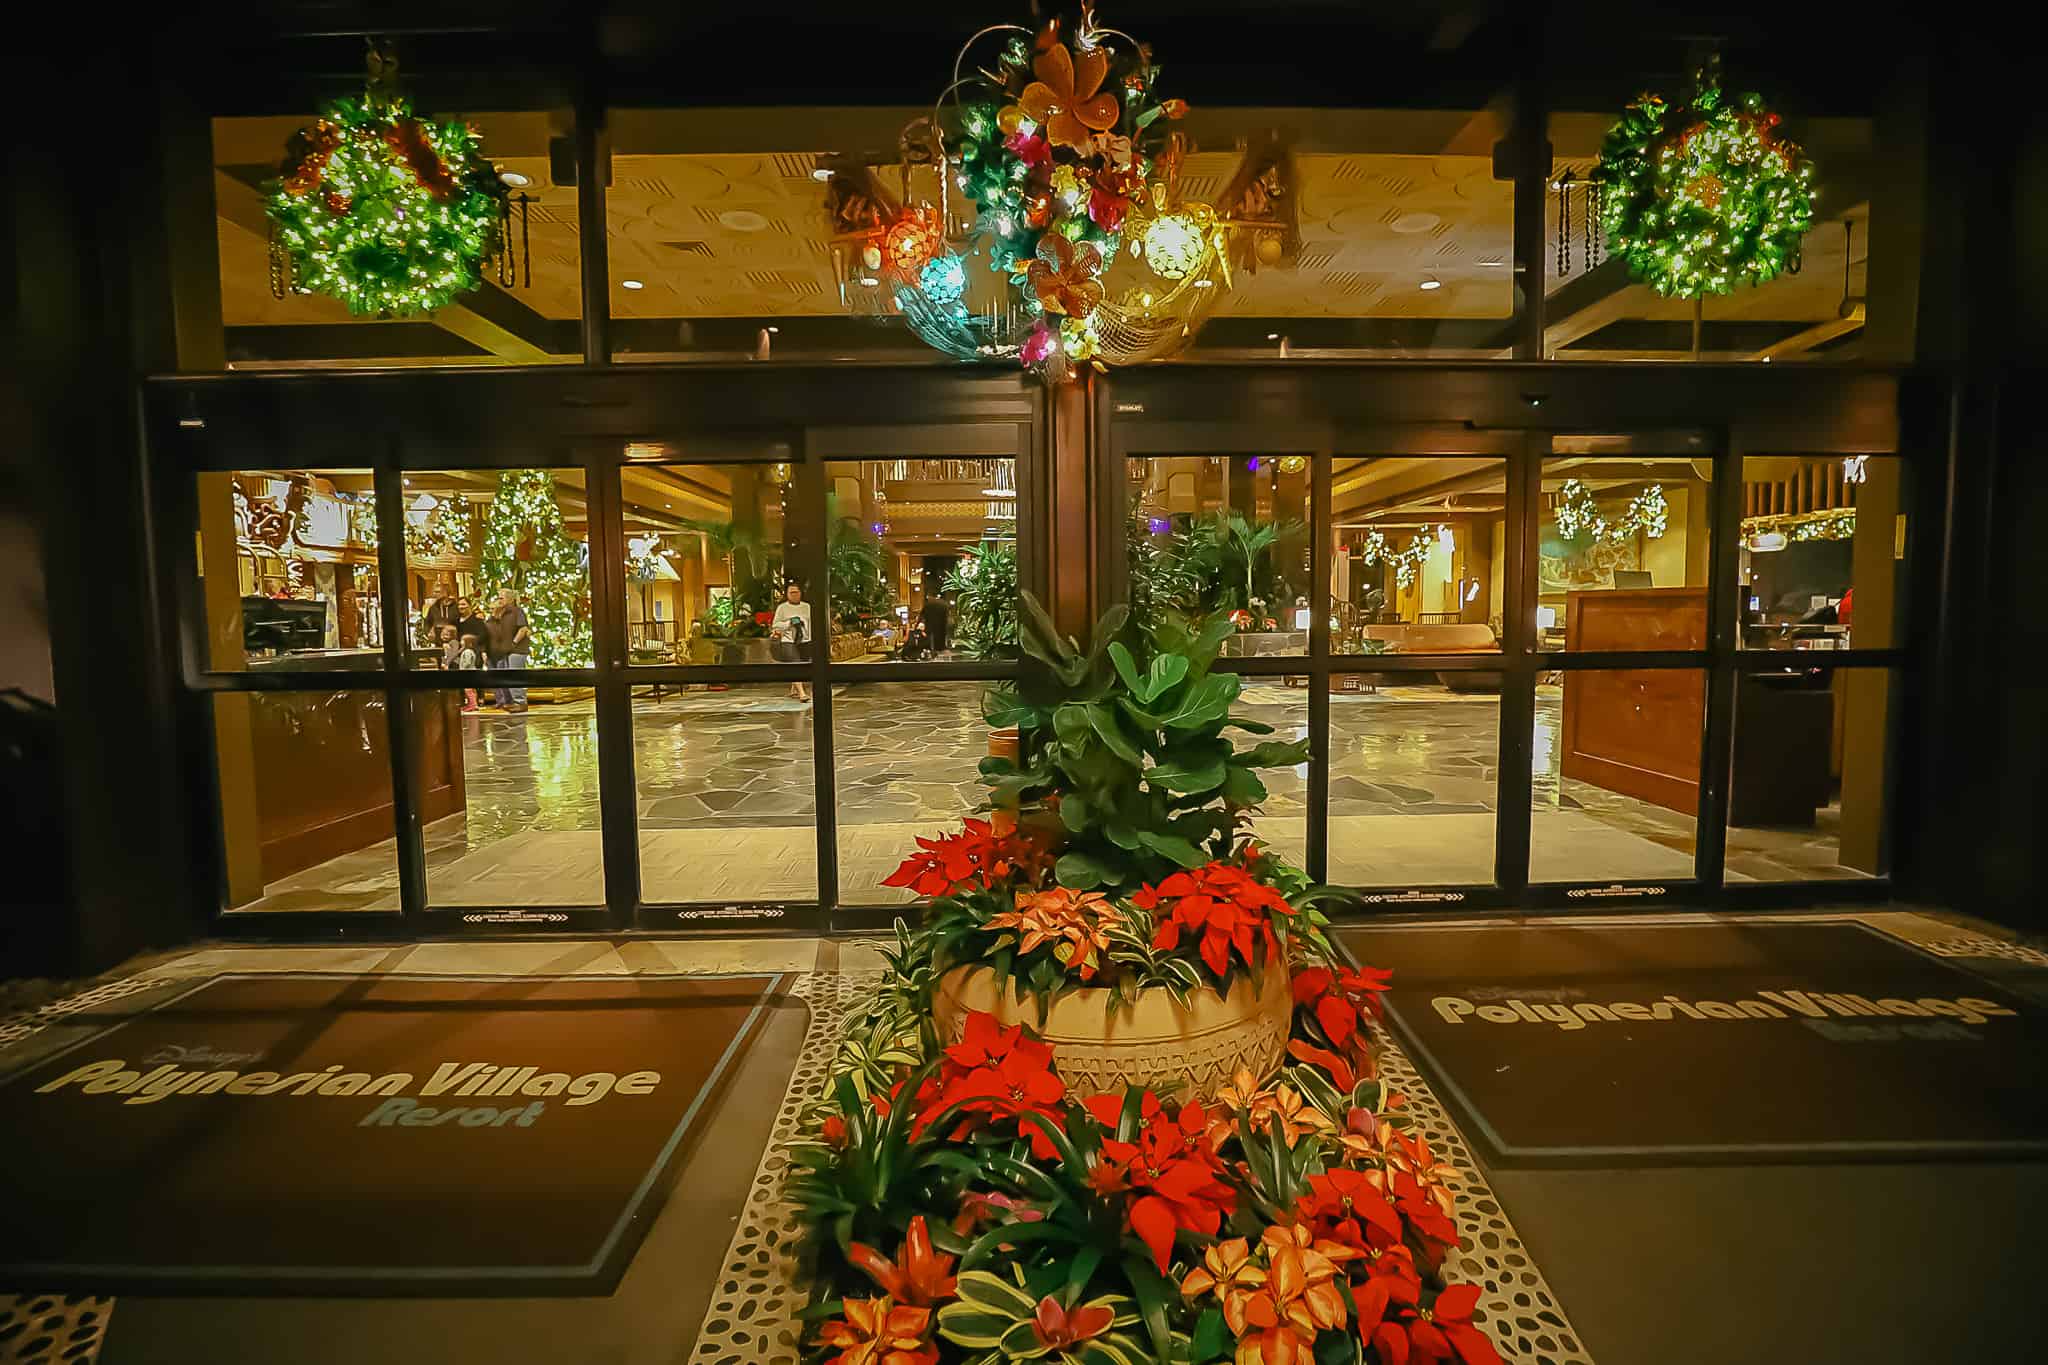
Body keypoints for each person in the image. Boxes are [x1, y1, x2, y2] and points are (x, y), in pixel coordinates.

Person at [487, 587, 532, 713]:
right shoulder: (501, 614)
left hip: (517, 650)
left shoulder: (517, 611)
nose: (499, 599)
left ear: (510, 599)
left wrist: (514, 643)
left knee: (515, 676)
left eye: (502, 597)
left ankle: (521, 702)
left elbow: (523, 629)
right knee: (507, 676)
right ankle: (511, 701)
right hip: (505, 651)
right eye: (498, 597)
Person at [771, 582, 812, 703]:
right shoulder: (782, 608)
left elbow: (811, 623)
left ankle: (794, 688)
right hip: (788, 639)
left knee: (803, 663)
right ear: (787, 594)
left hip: (804, 639)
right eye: (791, 593)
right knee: (795, 663)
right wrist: (789, 623)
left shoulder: (807, 607)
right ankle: (802, 693)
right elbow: (775, 625)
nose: (794, 595)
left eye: (796, 592)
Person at [456, 633, 482, 712]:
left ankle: (472, 705)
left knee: (468, 690)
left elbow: (467, 662)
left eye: (462, 641)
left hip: (467, 673)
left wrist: (462, 668)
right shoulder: (470, 651)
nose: (461, 642)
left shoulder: (467, 651)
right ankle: (474, 704)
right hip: (471, 672)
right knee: (472, 690)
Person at [920, 592, 950, 656]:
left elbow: (922, 615)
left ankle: (930, 650)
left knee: (929, 638)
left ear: (930, 596)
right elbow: (946, 616)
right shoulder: (944, 604)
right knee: (940, 637)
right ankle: (941, 648)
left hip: (930, 625)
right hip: (941, 625)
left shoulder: (928, 604)